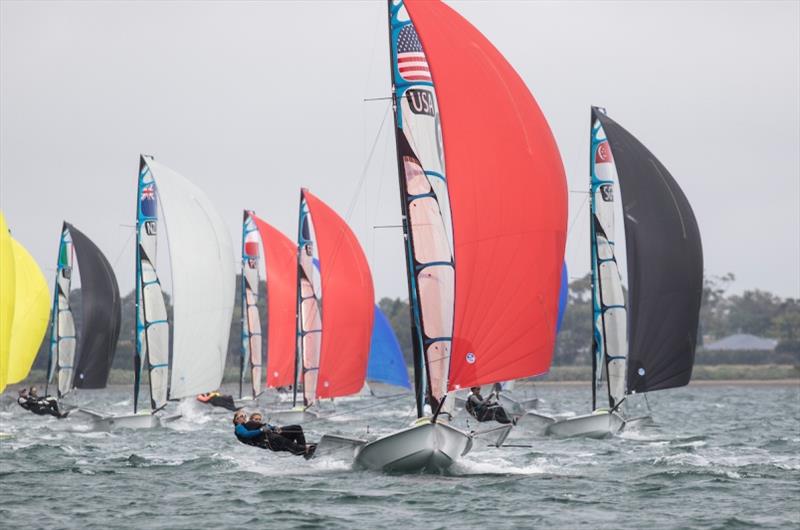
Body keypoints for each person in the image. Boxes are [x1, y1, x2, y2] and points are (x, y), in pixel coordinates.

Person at [232, 410, 316, 459]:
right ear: (236, 419)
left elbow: (265, 426)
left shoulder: (249, 424)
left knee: (297, 428)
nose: (244, 417)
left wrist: (273, 427)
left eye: (244, 415)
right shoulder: (238, 427)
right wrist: (261, 430)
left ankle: (304, 448)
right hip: (271, 440)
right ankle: (304, 450)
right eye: (241, 416)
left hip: (274, 435)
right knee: (292, 446)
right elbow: (246, 434)